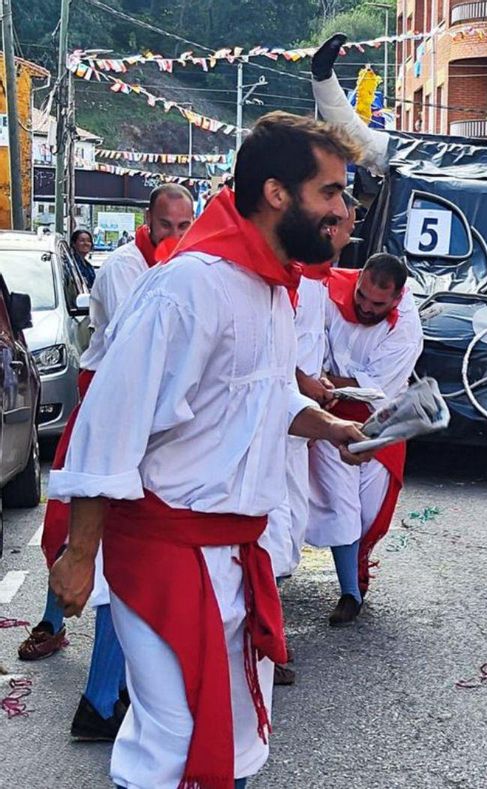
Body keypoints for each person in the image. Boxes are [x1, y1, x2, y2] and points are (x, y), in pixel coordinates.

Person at [47, 112, 373, 789]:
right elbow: (109, 423)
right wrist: (79, 556)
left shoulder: (275, 289)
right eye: (332, 193)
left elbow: (263, 400)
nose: (342, 210)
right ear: (278, 192)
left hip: (235, 554)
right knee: (171, 738)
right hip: (167, 554)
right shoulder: (188, 286)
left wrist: (331, 426)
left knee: (235, 737)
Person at [20, 184, 196, 741]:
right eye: (167, 225)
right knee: (83, 531)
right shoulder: (125, 268)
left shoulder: (179, 267)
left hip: (141, 410)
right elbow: (141, 348)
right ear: (148, 223)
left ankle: (103, 694)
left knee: (120, 549)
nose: (176, 236)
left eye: (185, 225)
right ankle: (87, 677)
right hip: (113, 402)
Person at [260, 192, 358, 685]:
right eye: (339, 225)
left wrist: (325, 402)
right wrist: (311, 390)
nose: (344, 236)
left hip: (299, 421)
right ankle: (263, 644)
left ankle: (263, 640)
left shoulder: (320, 281)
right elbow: (278, 365)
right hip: (271, 426)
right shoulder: (282, 277)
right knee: (273, 530)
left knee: (290, 525)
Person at [307, 253, 423, 627]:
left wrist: (326, 381)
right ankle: (350, 591)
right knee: (341, 505)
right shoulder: (327, 290)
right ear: (358, 282)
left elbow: (373, 386)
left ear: (397, 297)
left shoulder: (406, 327)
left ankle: (355, 572)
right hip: (328, 415)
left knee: (370, 513)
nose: (366, 308)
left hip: (381, 419)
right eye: (361, 298)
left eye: (378, 304)